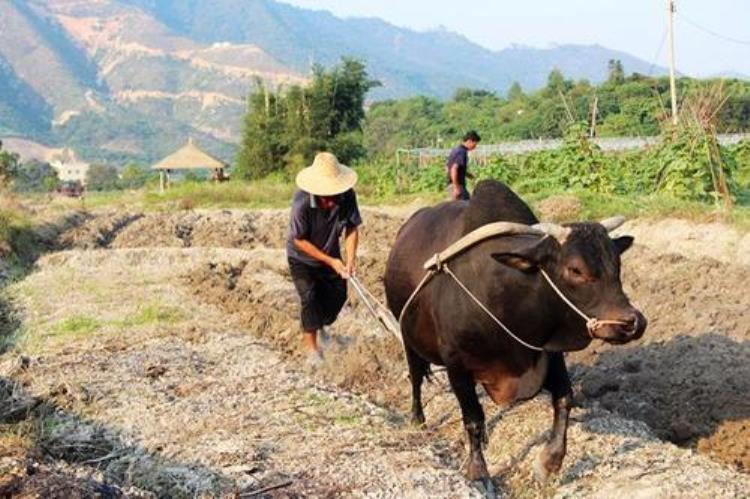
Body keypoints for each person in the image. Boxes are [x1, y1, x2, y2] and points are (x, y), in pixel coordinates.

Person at [287, 152, 361, 366]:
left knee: (338, 297)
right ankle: (312, 350)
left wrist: (350, 259)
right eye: (327, 196)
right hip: (302, 258)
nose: (332, 201)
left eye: (335, 194)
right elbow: (299, 240)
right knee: (309, 298)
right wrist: (331, 262)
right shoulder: (301, 202)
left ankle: (319, 324)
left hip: (331, 254)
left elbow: (352, 227)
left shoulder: (347, 197)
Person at [446, 130, 481, 200]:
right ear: (470, 141)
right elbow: (453, 169)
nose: (475, 146)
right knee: (466, 207)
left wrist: (469, 175)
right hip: (457, 186)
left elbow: (447, 168)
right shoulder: (462, 152)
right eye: (475, 144)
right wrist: (456, 187)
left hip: (452, 185)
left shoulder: (456, 150)